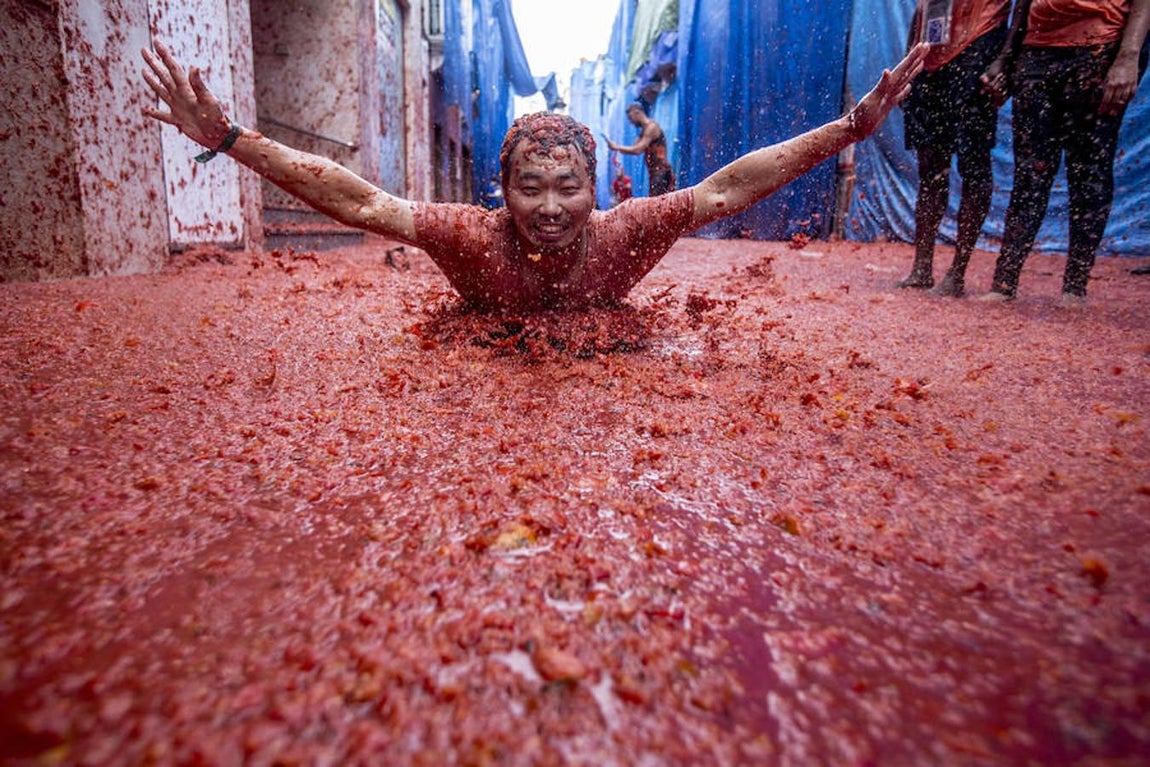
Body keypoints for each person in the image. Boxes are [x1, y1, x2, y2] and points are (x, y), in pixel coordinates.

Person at [141, 39, 927, 314]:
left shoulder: (629, 232)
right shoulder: (466, 238)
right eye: (529, 187)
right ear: (501, 188)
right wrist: (232, 138)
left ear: (594, 188)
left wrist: (849, 129)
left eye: (567, 187)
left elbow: (728, 189)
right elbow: (358, 199)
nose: (550, 210)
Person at [978, 0, 1150, 305]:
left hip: (1100, 47)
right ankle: (1003, 283)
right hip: (1037, 51)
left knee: (1090, 171)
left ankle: (1075, 287)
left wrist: (1128, 56)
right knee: (1030, 172)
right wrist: (1005, 58)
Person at [898, 0, 1013, 297]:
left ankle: (957, 273)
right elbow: (924, 7)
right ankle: (921, 268)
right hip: (929, 55)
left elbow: (1023, 9)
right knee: (930, 167)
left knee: (973, 164)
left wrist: (1004, 60)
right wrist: (908, 63)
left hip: (978, 45)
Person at [606, 103, 676, 197]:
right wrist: (616, 147)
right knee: (657, 203)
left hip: (661, 172)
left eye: (631, 118)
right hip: (655, 173)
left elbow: (637, 150)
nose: (631, 122)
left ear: (637, 113)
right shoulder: (644, 130)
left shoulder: (651, 128)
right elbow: (632, 147)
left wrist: (617, 147)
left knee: (658, 204)